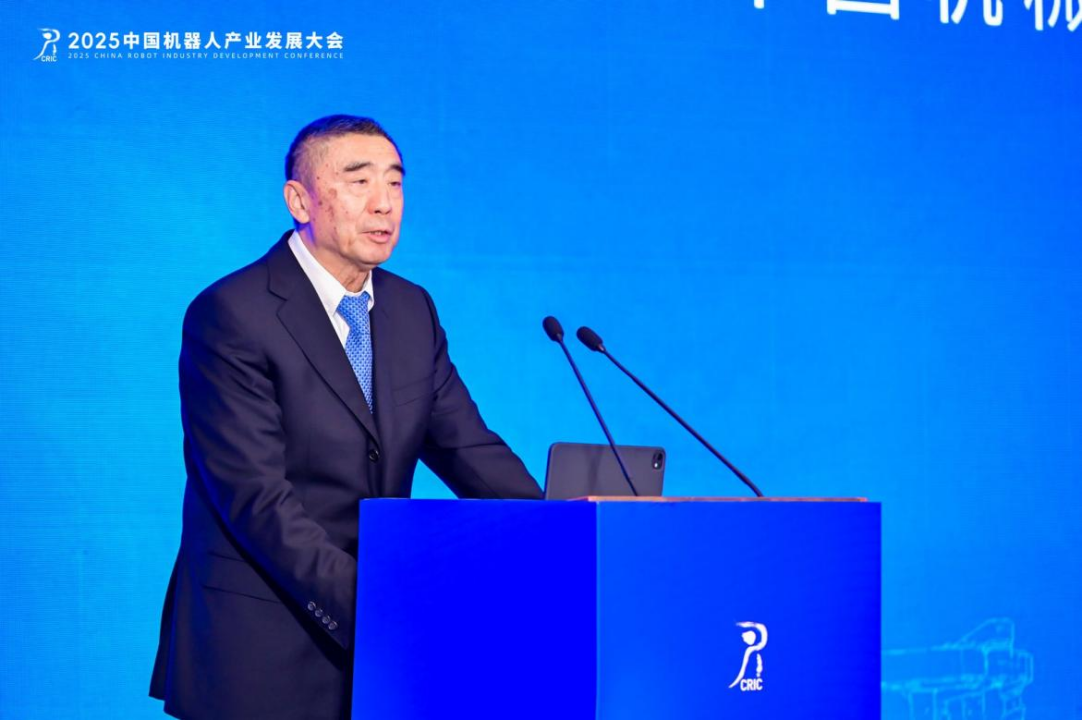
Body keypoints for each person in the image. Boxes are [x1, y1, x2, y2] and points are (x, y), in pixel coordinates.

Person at [150, 115, 542, 719]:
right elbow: (256, 501)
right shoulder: (232, 314)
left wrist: (562, 533)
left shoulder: (411, 309)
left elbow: (470, 449)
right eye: (359, 182)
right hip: (262, 641)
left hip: (378, 646)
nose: (384, 203)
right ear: (299, 200)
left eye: (395, 182)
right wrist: (381, 603)